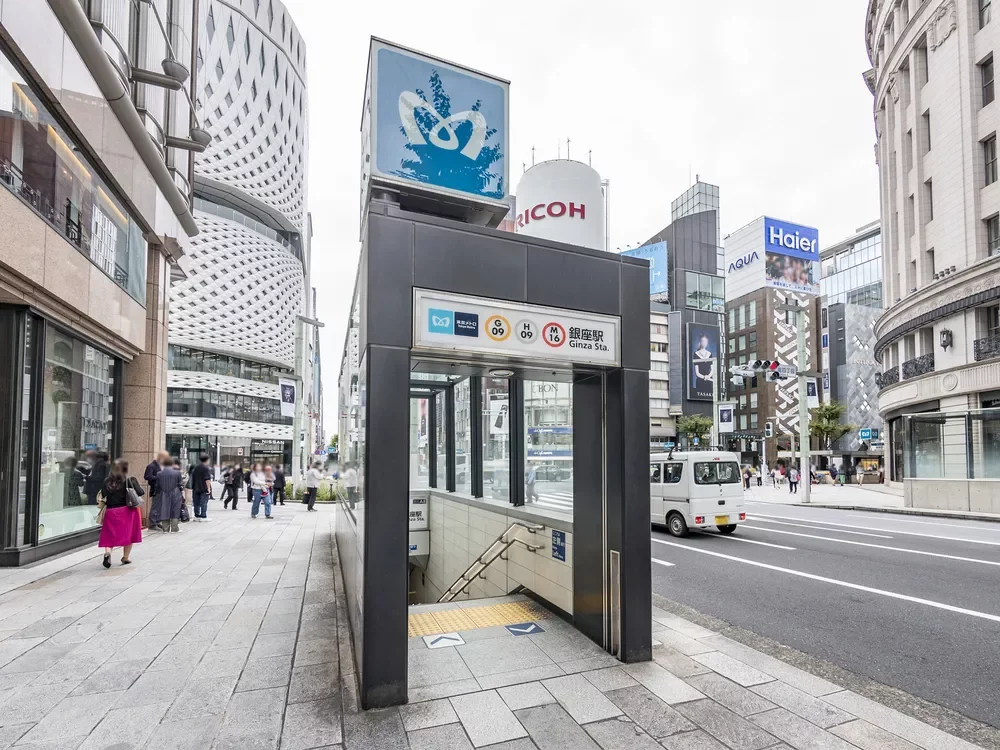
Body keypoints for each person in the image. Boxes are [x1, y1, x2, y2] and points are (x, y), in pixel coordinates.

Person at [98, 459, 143, 567]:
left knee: (109, 535)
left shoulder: (106, 481)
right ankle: (125, 557)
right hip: (126, 511)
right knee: (129, 534)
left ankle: (108, 553)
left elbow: (104, 494)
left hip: (110, 511)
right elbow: (141, 492)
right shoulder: (129, 480)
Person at [155, 458, 184, 532]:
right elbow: (180, 484)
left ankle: (165, 529)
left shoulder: (159, 474)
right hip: (176, 493)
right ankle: (174, 528)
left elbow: (157, 486)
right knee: (175, 510)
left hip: (163, 493)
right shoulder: (177, 473)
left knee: (164, 509)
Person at [144, 451, 168, 530]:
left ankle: (157, 521)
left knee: (160, 506)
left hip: (162, 488)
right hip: (156, 488)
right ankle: (153, 523)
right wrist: (159, 477)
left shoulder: (162, 466)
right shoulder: (151, 466)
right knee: (155, 506)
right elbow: (147, 476)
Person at [190, 453, 213, 521]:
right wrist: (208, 488)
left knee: (196, 502)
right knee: (203, 502)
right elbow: (207, 479)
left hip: (196, 487)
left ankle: (197, 516)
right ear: (207, 460)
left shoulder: (196, 467)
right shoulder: (205, 468)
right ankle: (203, 516)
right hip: (203, 488)